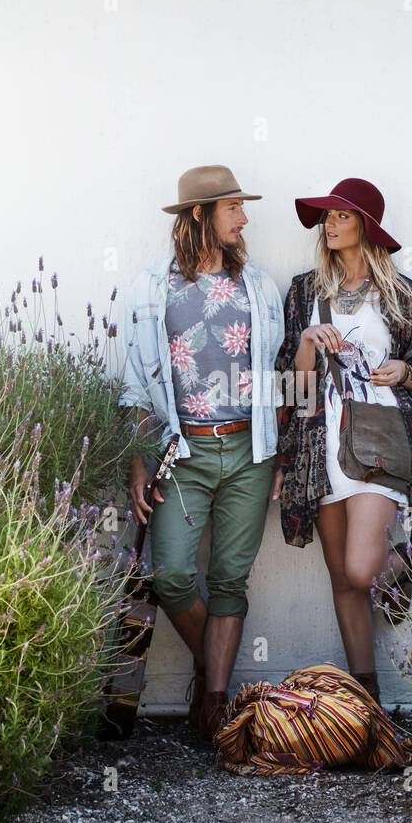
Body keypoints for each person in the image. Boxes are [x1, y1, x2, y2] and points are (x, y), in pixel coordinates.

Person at [119, 164, 285, 741]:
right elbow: (136, 382)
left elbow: (274, 378)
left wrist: (281, 457)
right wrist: (139, 459)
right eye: (233, 207)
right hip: (181, 451)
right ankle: (211, 667)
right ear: (200, 215)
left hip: (249, 452)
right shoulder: (151, 287)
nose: (244, 217)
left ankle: (214, 707)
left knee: (230, 581)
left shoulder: (258, 287)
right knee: (170, 574)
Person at [272, 177, 412, 706]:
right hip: (319, 442)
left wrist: (404, 371)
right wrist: (306, 342)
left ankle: (409, 555)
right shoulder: (305, 291)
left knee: (361, 568)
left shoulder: (399, 294)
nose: (329, 223)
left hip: (379, 439)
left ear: (366, 227)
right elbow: (291, 384)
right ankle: (366, 703)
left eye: (341, 216)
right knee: (342, 580)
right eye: (326, 216)